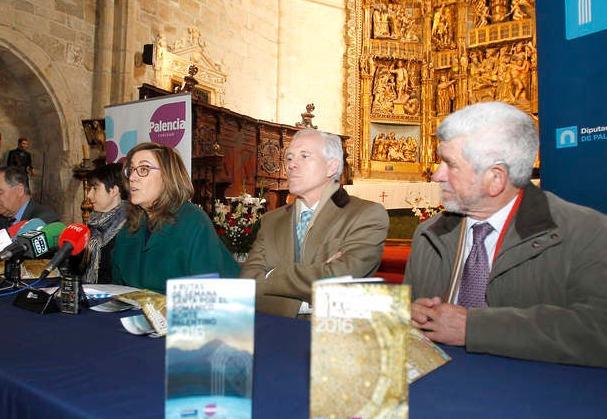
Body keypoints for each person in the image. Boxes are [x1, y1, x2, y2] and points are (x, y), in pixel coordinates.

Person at [407, 101, 607, 370]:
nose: (437, 175)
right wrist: (408, 315)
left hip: (539, 398)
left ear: (495, 178)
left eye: (450, 165)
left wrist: (476, 328)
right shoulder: (429, 234)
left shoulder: (583, 230)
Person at [241, 129, 389, 318]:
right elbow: (248, 283)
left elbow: (341, 277)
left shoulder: (365, 215)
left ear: (331, 167)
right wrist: (309, 298)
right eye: (289, 158)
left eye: (304, 156)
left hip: (334, 338)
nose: (292, 165)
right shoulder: (271, 221)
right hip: (274, 333)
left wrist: (271, 275)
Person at [111, 142, 239, 293]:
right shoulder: (130, 226)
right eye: (131, 170)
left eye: (143, 169)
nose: (132, 177)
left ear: (167, 176)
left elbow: (209, 296)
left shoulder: (194, 222)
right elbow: (118, 289)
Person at [73, 163, 127, 284]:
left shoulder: (129, 228)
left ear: (114, 190)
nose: (89, 195)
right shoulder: (94, 224)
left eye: (95, 188)